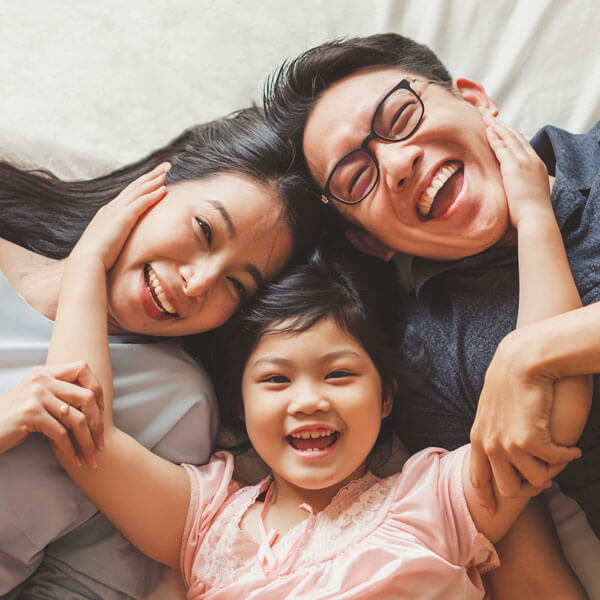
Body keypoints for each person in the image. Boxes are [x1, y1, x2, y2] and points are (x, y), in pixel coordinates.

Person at [41, 117, 587, 598]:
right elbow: (81, 426)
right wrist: (88, 261)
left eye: (340, 374)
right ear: (238, 406)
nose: (310, 401)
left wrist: (535, 217)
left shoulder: (436, 500)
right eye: (276, 379)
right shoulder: (205, 521)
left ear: (387, 396)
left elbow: (548, 407)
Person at [263, 31, 600, 562]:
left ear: (474, 100)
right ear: (368, 241)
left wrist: (530, 354)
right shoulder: (429, 365)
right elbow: (515, 563)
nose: (396, 165)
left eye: (401, 119)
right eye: (357, 177)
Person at [0, 107, 319, 598]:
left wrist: (88, 263)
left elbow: (84, 586)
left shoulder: (176, 404)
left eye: (235, 286)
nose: (197, 282)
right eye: (205, 231)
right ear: (157, 183)